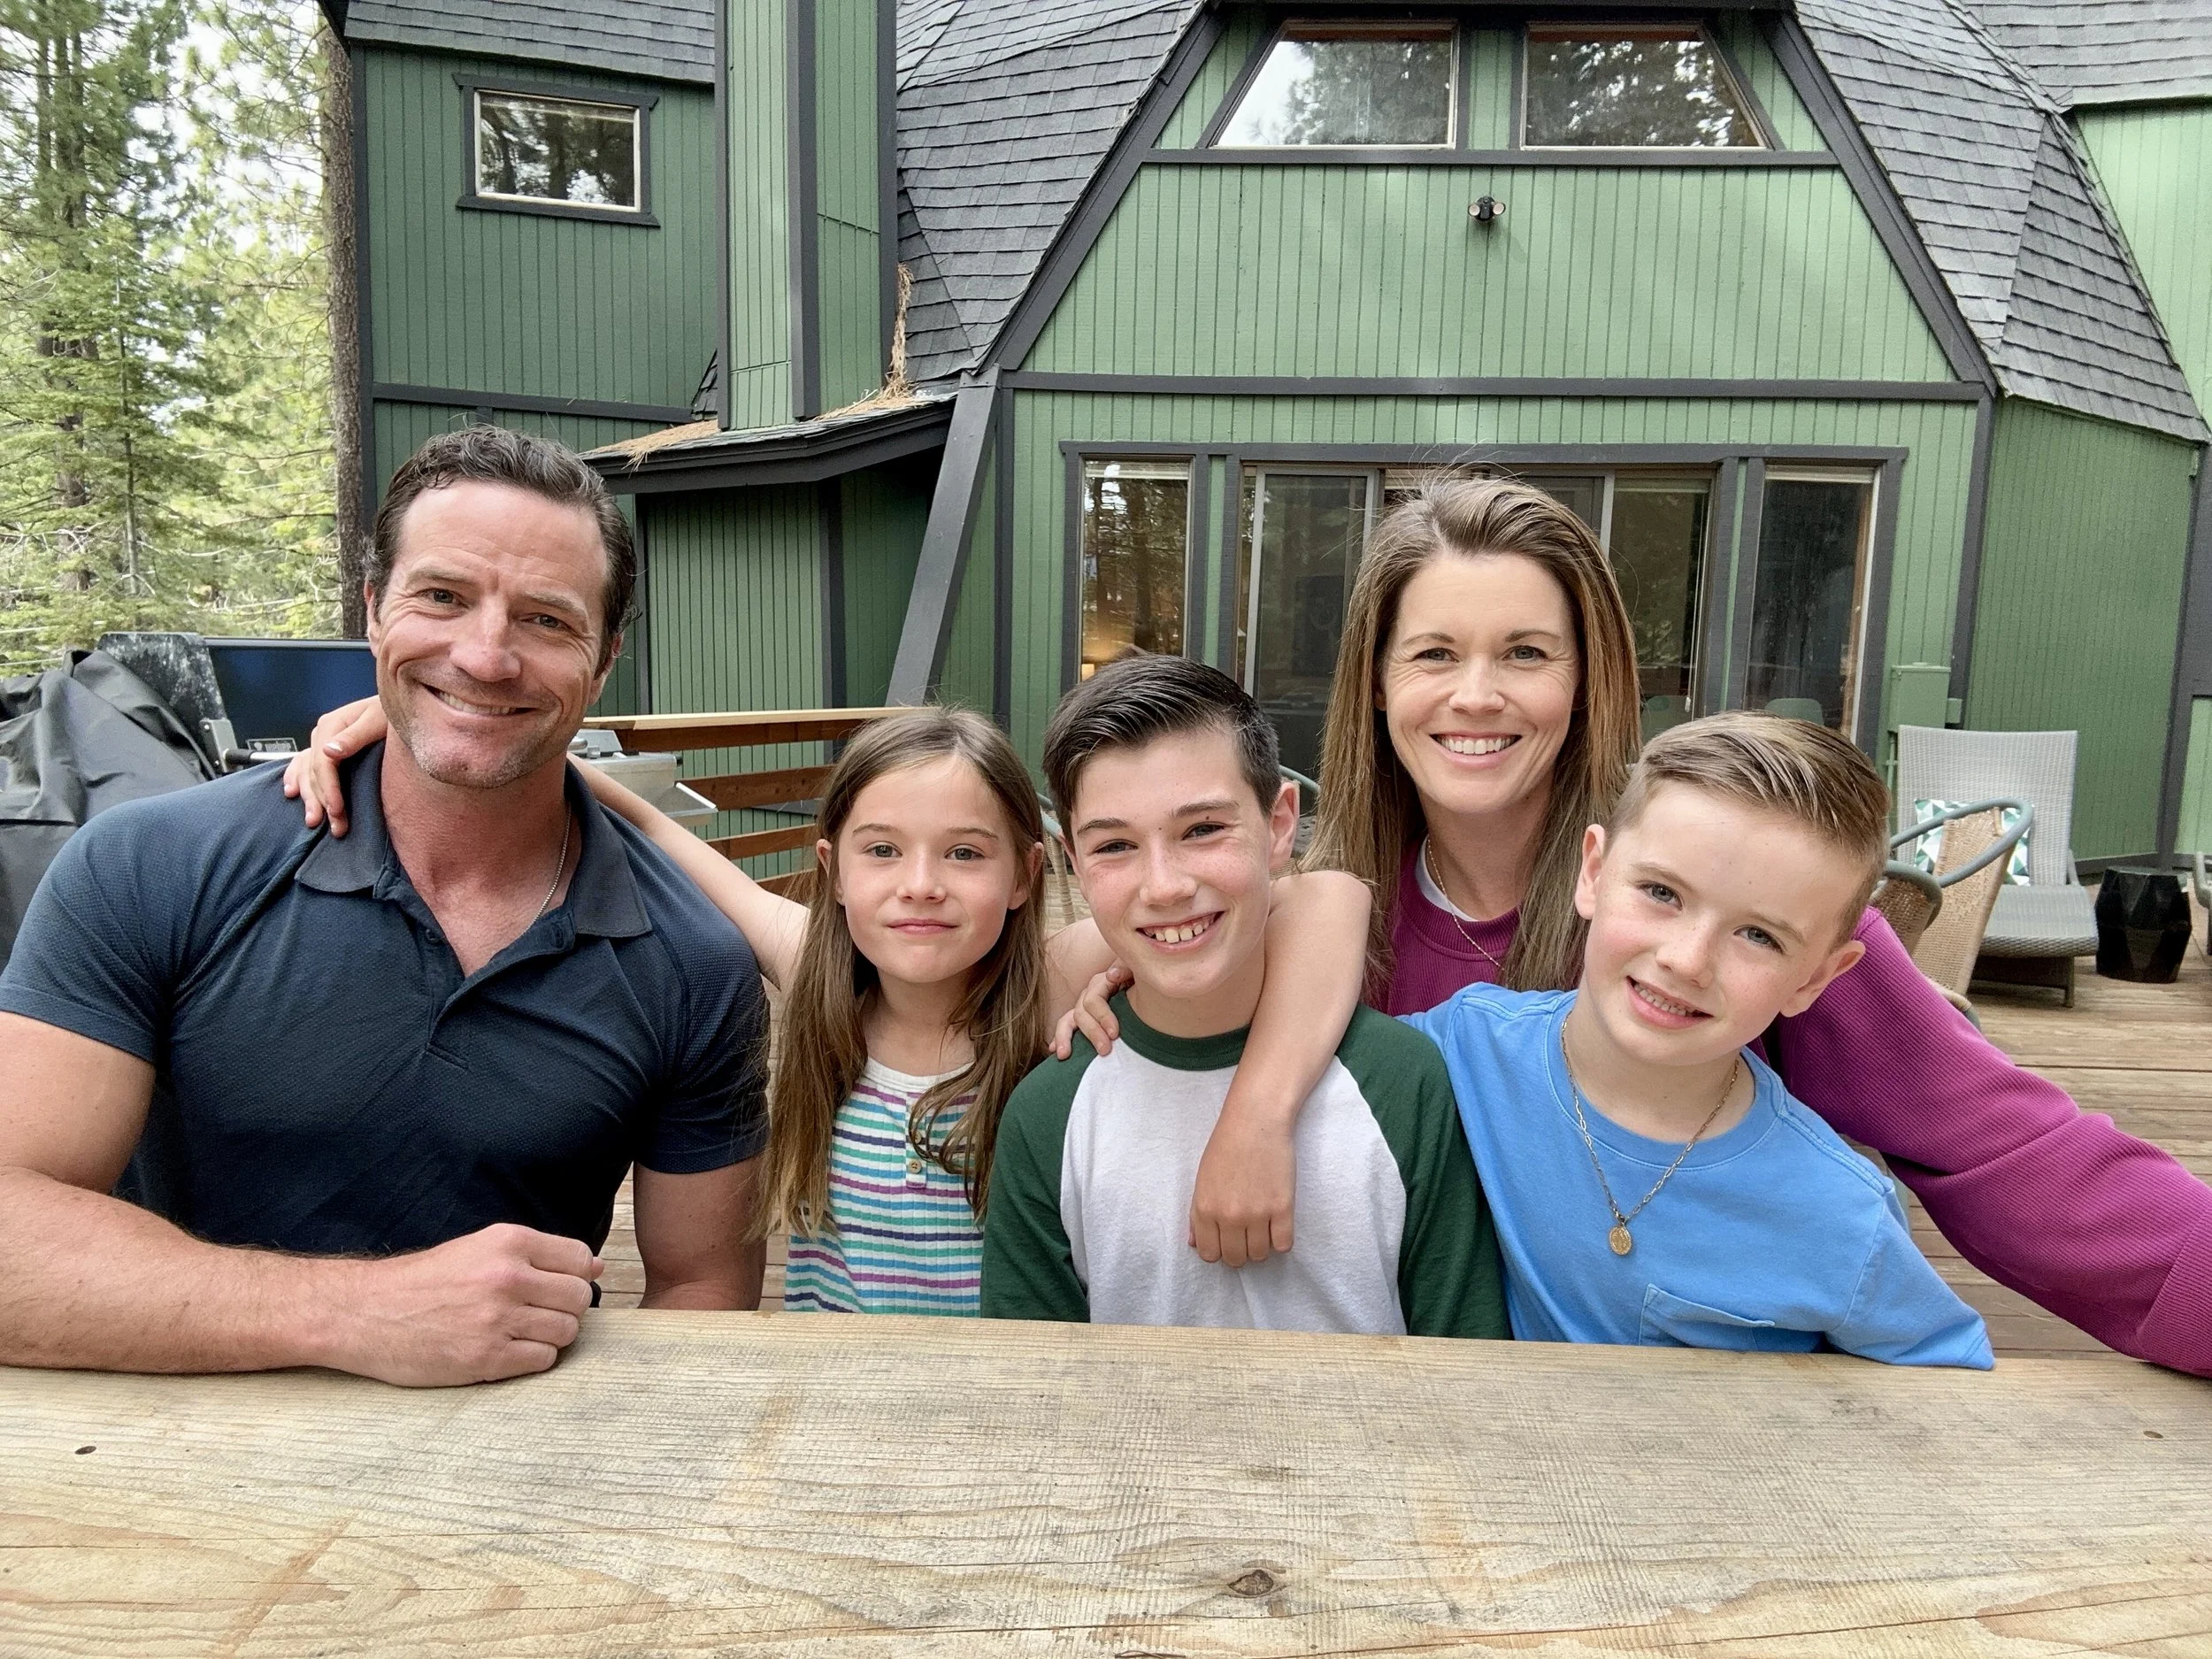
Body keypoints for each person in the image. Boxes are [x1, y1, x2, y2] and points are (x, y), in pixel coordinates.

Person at [1117, 476, 2212, 1375]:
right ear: (1375, 684)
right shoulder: (1320, 924)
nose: (1477, 694)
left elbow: (2007, 1147)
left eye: (1528, 654)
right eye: (1435, 653)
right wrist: (1092, 948)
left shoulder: (1711, 894)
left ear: (1591, 682)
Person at [0, 426, 771, 1386]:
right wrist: (356, 1314)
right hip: (159, 1457)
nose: (486, 657)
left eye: (546, 620)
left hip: (509, 1465)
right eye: (442, 597)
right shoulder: (150, 870)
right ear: (373, 610)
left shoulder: (693, 960)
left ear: (605, 660)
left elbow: (703, 1290)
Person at [286, 701, 1372, 1318]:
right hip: (828, 1400)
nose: (922, 888)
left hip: (1003, 1400)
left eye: (965, 855)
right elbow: (658, 834)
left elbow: (1324, 895)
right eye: (883, 853)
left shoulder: (1042, 974)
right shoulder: (816, 976)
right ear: (832, 871)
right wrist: (444, 718)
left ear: (1026, 876)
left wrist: (1259, 1114)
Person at [1408, 713, 1991, 1365]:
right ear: (1593, 873)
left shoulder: (1842, 1214)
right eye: (1662, 892)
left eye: (1759, 935)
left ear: (1816, 978)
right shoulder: (1467, 1046)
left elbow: (1945, 1376)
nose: (1687, 960)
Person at [980, 654, 1506, 1338]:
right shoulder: (1049, 1112)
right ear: (1071, 862)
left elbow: (1467, 1370)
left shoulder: (1402, 1084)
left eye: (1202, 829)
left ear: (1281, 824)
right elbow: (1032, 1390)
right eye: (1115, 845)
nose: (1164, 884)